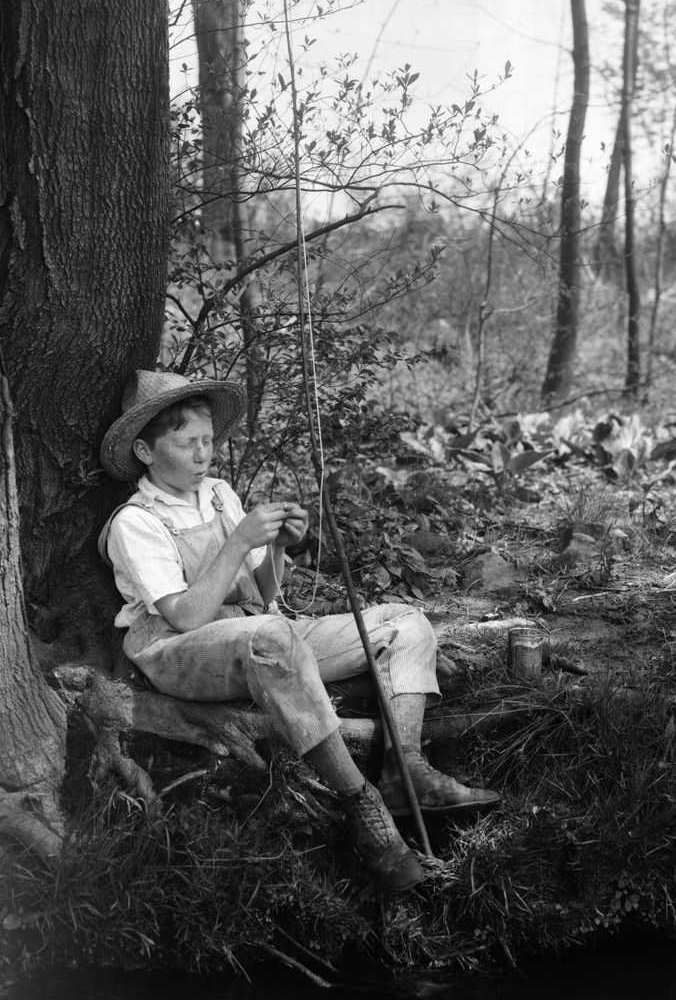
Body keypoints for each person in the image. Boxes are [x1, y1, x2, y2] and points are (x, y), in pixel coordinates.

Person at [99, 369, 499, 892]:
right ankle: (361, 801)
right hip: (177, 652)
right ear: (147, 453)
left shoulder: (219, 494)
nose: (203, 456)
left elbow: (264, 595)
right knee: (272, 637)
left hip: (255, 630)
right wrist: (240, 541)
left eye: (208, 442)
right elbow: (186, 617)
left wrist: (282, 544)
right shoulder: (137, 521)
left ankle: (406, 770)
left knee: (404, 622)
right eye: (186, 444)